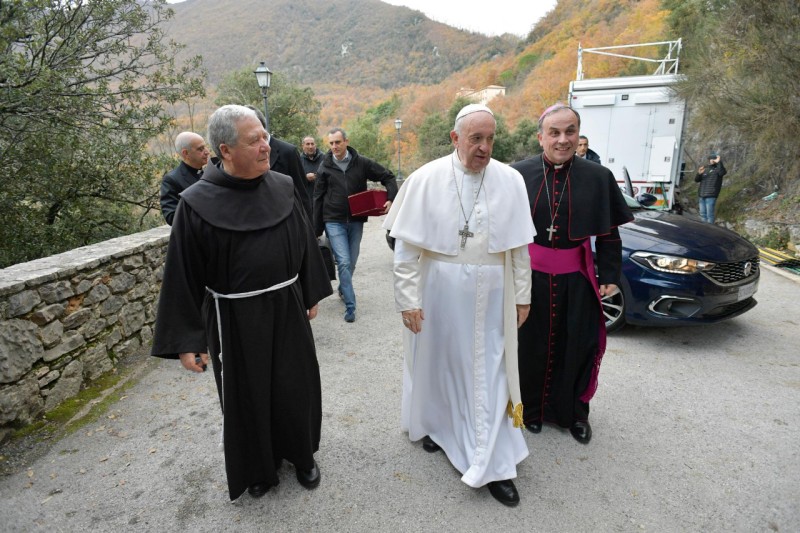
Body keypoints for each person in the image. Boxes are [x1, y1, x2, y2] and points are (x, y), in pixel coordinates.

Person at [151, 104, 333, 501]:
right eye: (255, 141)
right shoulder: (195, 203)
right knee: (245, 395)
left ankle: (302, 455)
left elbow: (303, 241)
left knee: (294, 384)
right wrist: (188, 340)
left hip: (287, 308)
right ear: (226, 150)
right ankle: (258, 468)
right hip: (233, 317)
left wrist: (309, 292)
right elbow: (182, 275)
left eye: (265, 136)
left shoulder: (284, 186)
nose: (267, 146)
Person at [383, 104, 535, 507]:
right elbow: (406, 251)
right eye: (475, 139)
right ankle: (437, 427)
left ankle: (494, 463)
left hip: (495, 294)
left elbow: (520, 248)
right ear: (455, 138)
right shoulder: (425, 178)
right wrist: (408, 302)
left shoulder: (511, 180)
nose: (484, 148)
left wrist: (523, 294)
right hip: (440, 292)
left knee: (491, 370)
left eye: (490, 139)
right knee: (440, 364)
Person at [510, 104, 632, 445]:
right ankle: (530, 411)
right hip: (529, 278)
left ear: (578, 134)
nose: (562, 140)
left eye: (570, 131)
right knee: (528, 347)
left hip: (577, 278)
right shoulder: (517, 174)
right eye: (554, 133)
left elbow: (609, 233)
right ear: (540, 137)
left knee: (577, 345)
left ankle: (575, 414)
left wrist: (609, 273)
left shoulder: (598, 176)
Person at [313, 127, 398, 322]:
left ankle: (343, 288)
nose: (334, 146)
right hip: (333, 220)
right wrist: (316, 229)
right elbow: (317, 197)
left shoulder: (362, 163)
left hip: (356, 220)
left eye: (338, 142)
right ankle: (350, 306)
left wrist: (391, 198)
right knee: (343, 261)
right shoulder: (324, 166)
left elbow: (389, 176)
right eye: (331, 143)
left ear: (346, 141)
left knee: (351, 262)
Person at [244, 105, 312, 219]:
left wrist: (309, 231)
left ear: (261, 126)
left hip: (286, 221)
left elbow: (301, 193)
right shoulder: (245, 152)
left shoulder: (288, 151)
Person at [160, 131, 210, 225]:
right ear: (185, 153)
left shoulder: (208, 174)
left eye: (205, 147)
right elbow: (171, 217)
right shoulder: (172, 180)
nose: (207, 152)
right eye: (200, 149)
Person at [695, 153, 726, 223]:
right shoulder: (705, 169)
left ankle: (709, 230)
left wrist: (719, 162)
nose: (712, 160)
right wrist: (699, 173)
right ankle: (703, 229)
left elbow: (722, 173)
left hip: (711, 195)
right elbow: (696, 180)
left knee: (710, 215)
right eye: (711, 159)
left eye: (714, 159)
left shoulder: (719, 169)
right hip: (701, 195)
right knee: (702, 214)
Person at [300, 135, 323, 201]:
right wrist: (305, 178)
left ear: (315, 145)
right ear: (303, 146)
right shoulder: (298, 160)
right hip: (306, 199)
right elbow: (295, 179)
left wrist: (317, 176)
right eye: (307, 144)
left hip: (321, 198)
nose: (310, 146)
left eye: (312, 144)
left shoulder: (324, 158)